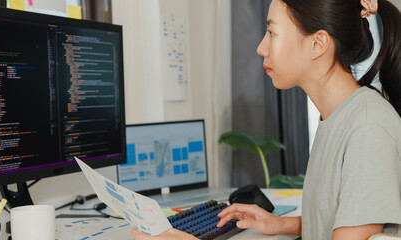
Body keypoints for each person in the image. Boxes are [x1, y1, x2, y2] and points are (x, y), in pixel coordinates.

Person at [131, 0, 401, 239]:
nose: (261, 47)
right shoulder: (338, 116)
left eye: (272, 32)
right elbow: (336, 219)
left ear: (317, 44)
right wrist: (281, 224)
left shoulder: (367, 128)